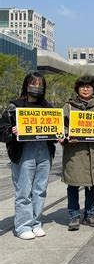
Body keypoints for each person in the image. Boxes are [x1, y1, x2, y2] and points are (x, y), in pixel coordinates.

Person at [0, 72, 56, 240]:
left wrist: (59, 134)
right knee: (24, 190)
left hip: (44, 151)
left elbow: (56, 129)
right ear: (26, 85)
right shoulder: (14, 107)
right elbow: (2, 130)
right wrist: (11, 131)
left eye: (40, 84)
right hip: (24, 152)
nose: (37, 87)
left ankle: (36, 223)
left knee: (40, 190)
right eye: (33, 83)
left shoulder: (48, 107)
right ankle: (23, 225)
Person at [61, 75, 94, 231]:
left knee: (91, 185)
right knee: (73, 185)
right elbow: (60, 128)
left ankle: (90, 213)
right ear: (77, 88)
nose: (86, 89)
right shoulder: (68, 107)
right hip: (75, 153)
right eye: (82, 86)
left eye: (89, 86)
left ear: (93, 89)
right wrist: (66, 135)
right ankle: (74, 215)